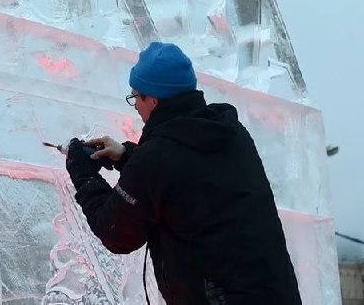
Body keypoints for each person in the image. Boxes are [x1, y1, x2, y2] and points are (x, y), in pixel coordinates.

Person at [66, 41, 302, 304]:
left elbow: (116, 233)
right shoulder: (230, 134)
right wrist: (127, 156)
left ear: (153, 99)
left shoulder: (157, 158)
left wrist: (84, 176)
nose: (134, 106)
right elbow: (190, 179)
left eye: (135, 97)